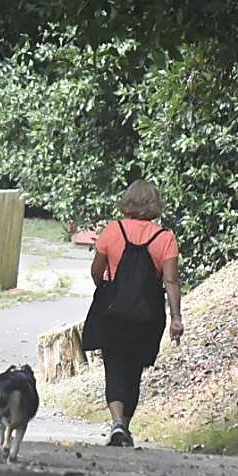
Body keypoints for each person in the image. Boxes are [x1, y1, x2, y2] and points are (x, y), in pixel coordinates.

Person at [85, 180, 183, 447]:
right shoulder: (165, 238)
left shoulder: (112, 230)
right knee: (134, 370)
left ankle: (116, 423)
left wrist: (107, 288)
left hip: (113, 311)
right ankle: (124, 427)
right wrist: (176, 317)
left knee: (114, 366)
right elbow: (171, 281)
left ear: (127, 201)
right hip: (148, 314)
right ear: (154, 204)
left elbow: (96, 270)